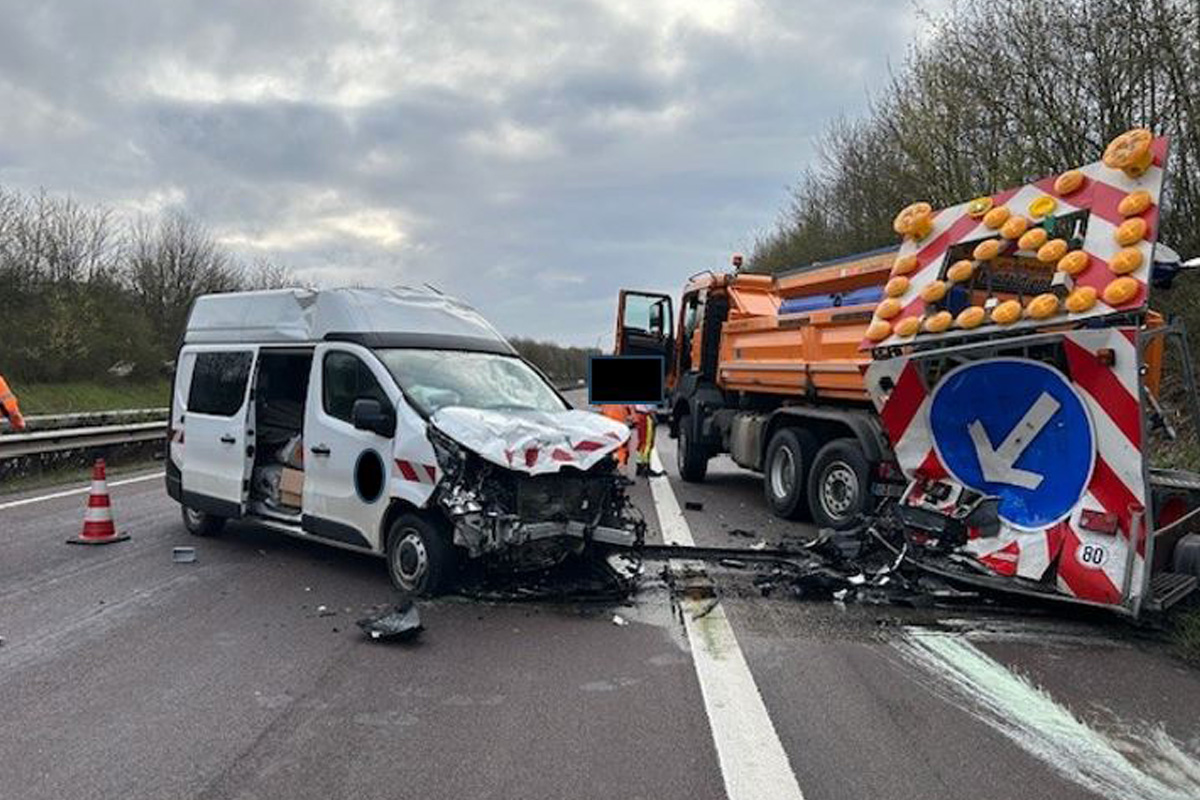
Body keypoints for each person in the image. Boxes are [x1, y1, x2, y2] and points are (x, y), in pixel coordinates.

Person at [632, 404, 658, 476]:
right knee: (647, 442)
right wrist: (653, 417)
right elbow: (650, 407)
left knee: (642, 442)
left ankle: (640, 465)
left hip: (640, 415)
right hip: (646, 416)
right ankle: (645, 466)